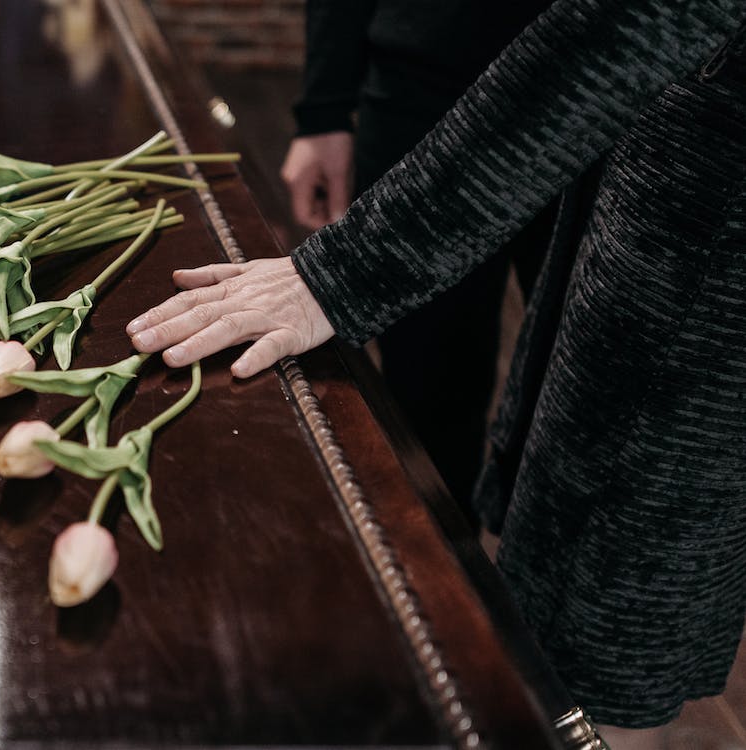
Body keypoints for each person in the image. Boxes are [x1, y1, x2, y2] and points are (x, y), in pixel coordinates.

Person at [126, 0, 746, 745]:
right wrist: (328, 103)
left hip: (690, 197)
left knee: (608, 621)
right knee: (455, 433)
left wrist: (341, 274)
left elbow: (640, 17)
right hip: (577, 110)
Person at [281, 1, 554, 507]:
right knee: (427, 397)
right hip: (423, 90)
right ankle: (438, 572)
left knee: (579, 409)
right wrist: (324, 106)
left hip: (618, 108)